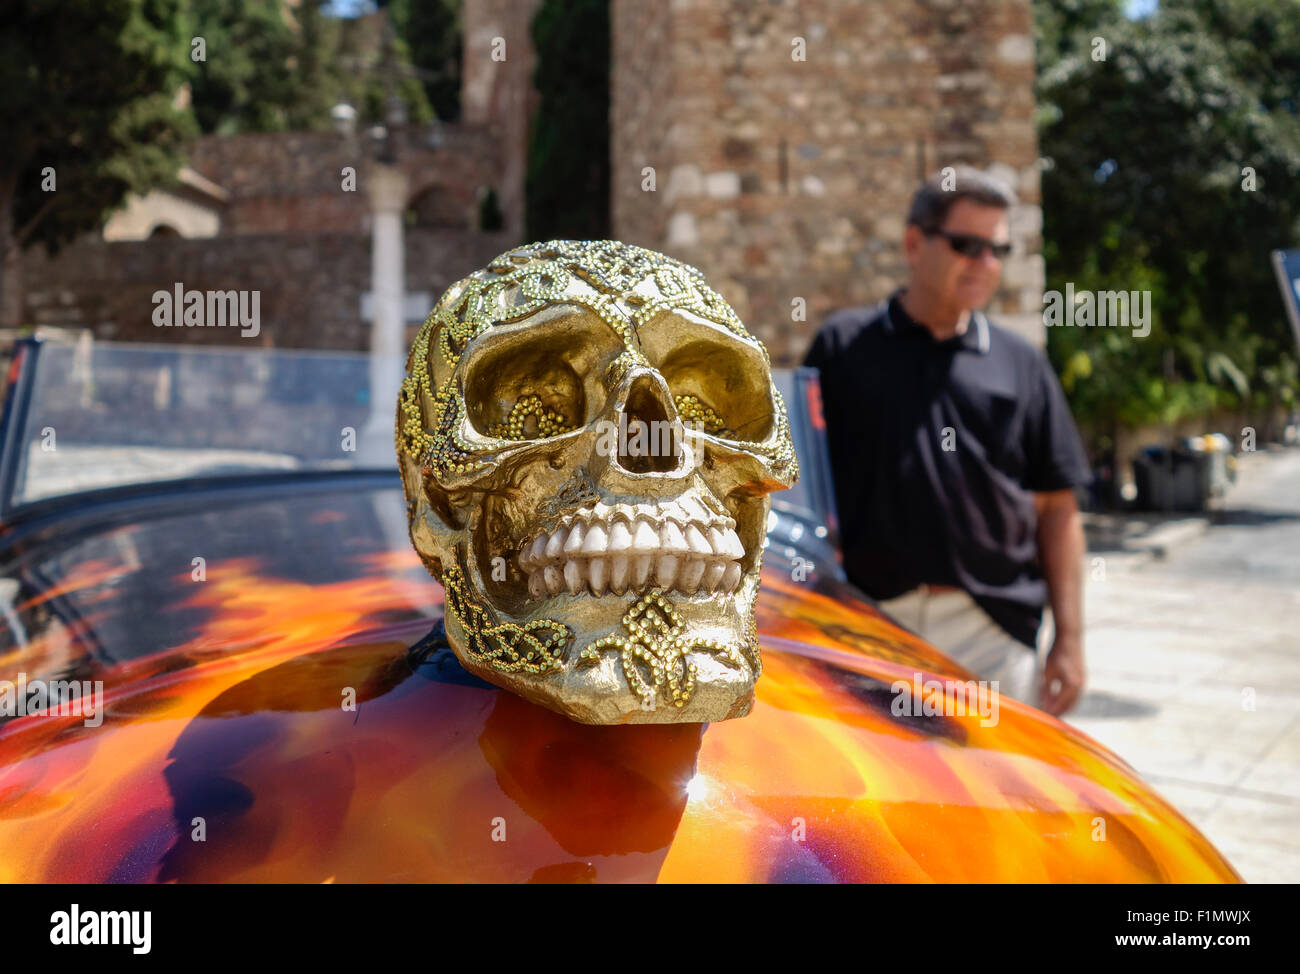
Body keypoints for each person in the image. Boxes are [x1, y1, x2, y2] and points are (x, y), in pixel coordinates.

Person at [803, 167, 1090, 716]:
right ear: (915, 243)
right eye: (967, 245)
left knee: (994, 795)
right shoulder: (842, 348)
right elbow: (795, 483)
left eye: (997, 250)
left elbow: (1058, 506)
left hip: (992, 633)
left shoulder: (1021, 364)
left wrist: (1071, 639)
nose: (986, 264)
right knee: (871, 793)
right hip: (866, 622)